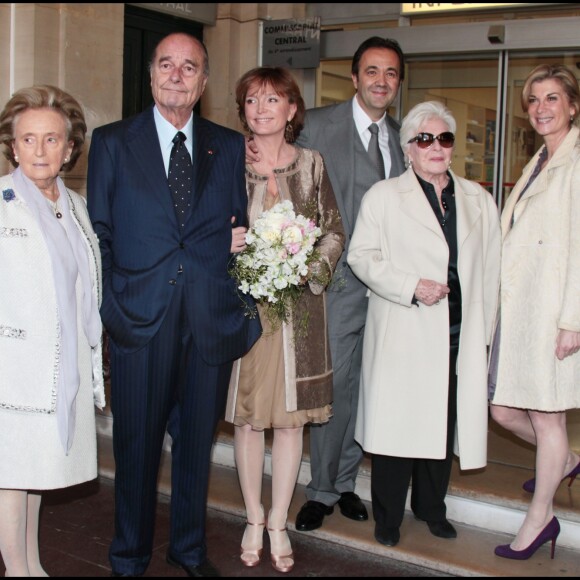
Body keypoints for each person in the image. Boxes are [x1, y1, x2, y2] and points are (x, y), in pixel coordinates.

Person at [87, 33, 261, 577]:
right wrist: (114, 309)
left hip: (209, 323)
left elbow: (237, 230)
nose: (177, 75)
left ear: (204, 82)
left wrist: (239, 303)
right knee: (136, 450)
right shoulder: (113, 142)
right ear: (151, 74)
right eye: (167, 64)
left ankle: (188, 550)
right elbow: (101, 236)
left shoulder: (228, 146)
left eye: (190, 67)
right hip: (140, 322)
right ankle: (129, 556)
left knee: (195, 452)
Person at [244, 36, 407, 533]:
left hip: (384, 288)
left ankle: (343, 482)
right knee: (328, 388)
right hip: (327, 286)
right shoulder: (316, 124)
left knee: (362, 385)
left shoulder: (406, 136)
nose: (381, 81)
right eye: (372, 71)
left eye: (392, 73)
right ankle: (318, 491)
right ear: (354, 76)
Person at [347, 101, 501, 548]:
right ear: (408, 149)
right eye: (424, 139)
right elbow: (361, 257)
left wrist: (486, 333)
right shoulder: (383, 196)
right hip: (404, 330)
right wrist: (411, 284)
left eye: (444, 138)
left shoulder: (478, 199)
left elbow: (492, 270)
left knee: (444, 423)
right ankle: (388, 516)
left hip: (458, 336)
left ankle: (433, 509)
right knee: (397, 429)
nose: (436, 147)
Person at [225, 67, 345, 573]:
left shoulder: (312, 164)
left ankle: (279, 520)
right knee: (251, 419)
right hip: (247, 310)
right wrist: (226, 245)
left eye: (273, 100)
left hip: (298, 311)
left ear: (292, 110)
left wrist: (304, 268)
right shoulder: (231, 161)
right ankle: (252, 516)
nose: (262, 109)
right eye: (253, 100)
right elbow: (213, 224)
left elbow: (334, 231)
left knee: (293, 423)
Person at [0, 85, 104, 576]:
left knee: (38, 470)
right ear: (13, 145)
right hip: (13, 367)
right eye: (27, 139)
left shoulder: (77, 206)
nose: (39, 151)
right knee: (11, 474)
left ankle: (33, 565)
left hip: (62, 361)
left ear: (69, 147)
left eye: (50, 139)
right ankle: (17, 571)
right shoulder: (1, 206)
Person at [489, 64, 580, 561]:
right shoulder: (541, 160)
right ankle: (564, 459)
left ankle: (540, 517)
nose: (542, 108)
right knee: (502, 409)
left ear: (572, 105)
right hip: (522, 310)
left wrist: (574, 320)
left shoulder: (576, 161)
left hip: (554, 312)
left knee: (547, 417)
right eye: (533, 101)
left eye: (552, 98)